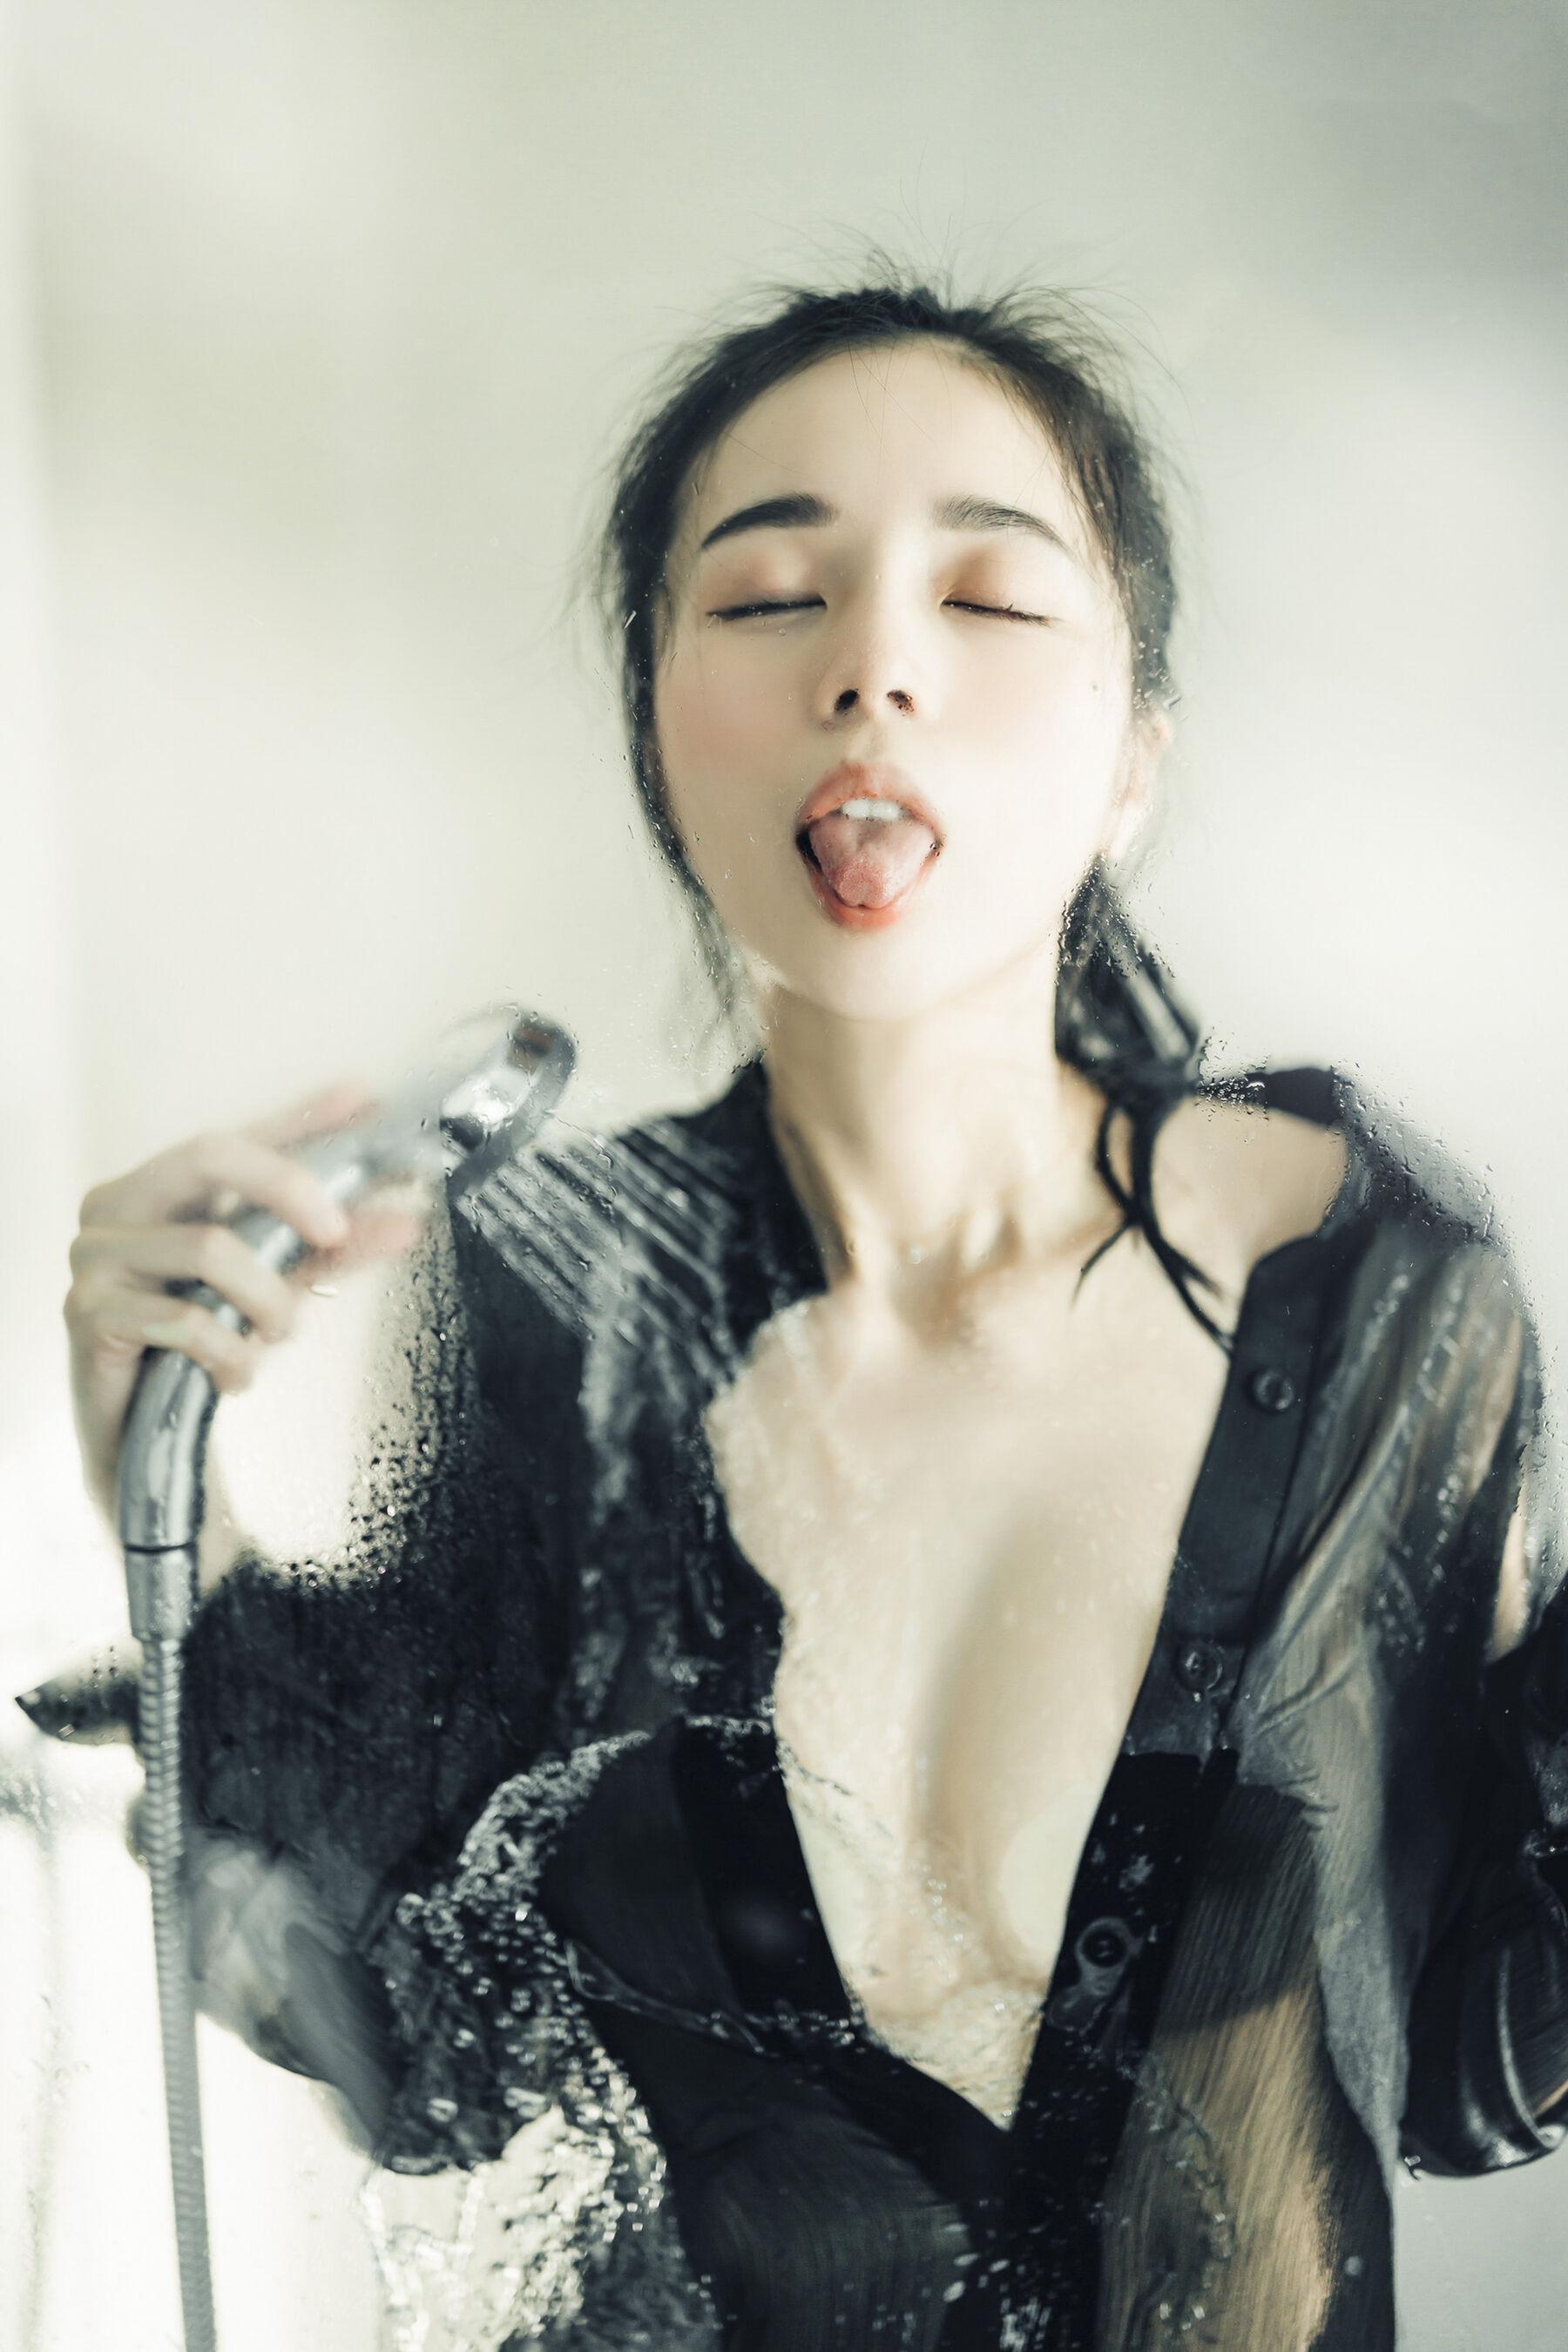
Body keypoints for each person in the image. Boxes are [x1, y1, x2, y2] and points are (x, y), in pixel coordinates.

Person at [30, 279, 1568, 2350]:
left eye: (988, 599)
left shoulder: (1377, 1281)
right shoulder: (557, 1285)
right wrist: (156, 1475)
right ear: (662, 737)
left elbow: (1471, 2054)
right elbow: (439, 2072)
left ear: (1134, 758)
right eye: (767, 598)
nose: (872, 669)